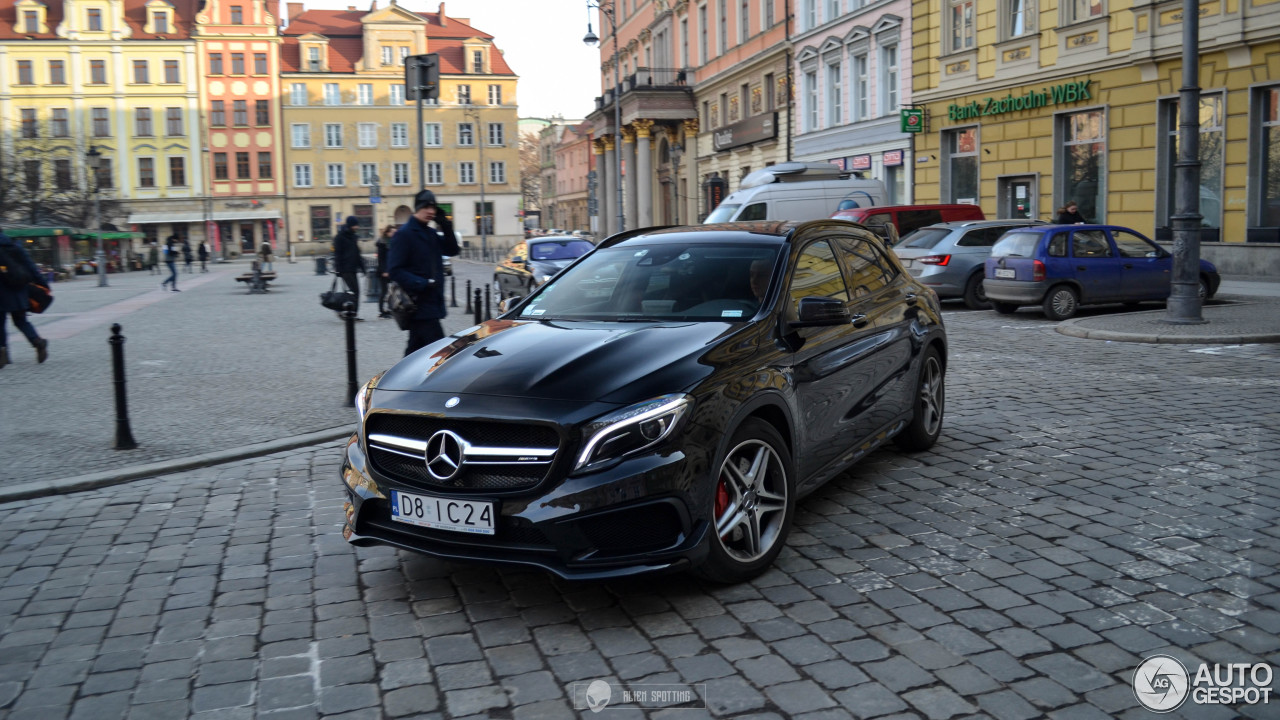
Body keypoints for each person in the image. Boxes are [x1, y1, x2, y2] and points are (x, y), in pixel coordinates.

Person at [388, 190, 460, 355]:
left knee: (416, 353)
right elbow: (395, 270)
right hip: (418, 304)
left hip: (432, 302)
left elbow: (452, 249)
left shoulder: (431, 233)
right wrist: (423, 283)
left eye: (433, 208)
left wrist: (446, 225)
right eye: (426, 207)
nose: (431, 211)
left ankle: (402, 380)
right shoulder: (404, 235)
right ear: (417, 208)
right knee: (441, 354)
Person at [0, 229, 49, 368]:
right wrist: (43, 284)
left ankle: (2, 352)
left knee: (0, 323)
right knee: (21, 321)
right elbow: (31, 267)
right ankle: (37, 341)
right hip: (18, 291)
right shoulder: (15, 247)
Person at [332, 216, 366, 319]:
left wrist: (362, 267)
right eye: (355, 225)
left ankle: (349, 312)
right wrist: (338, 270)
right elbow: (337, 254)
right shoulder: (340, 237)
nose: (357, 227)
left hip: (352, 268)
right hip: (345, 269)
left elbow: (357, 254)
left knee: (354, 292)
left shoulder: (353, 237)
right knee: (355, 291)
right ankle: (348, 312)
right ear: (350, 225)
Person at [376, 224, 395, 318]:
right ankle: (381, 311)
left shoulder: (393, 242)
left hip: (391, 269)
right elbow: (381, 259)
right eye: (392, 232)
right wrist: (384, 271)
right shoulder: (382, 243)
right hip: (383, 271)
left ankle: (390, 308)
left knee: (392, 291)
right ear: (387, 232)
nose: (394, 233)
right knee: (384, 291)